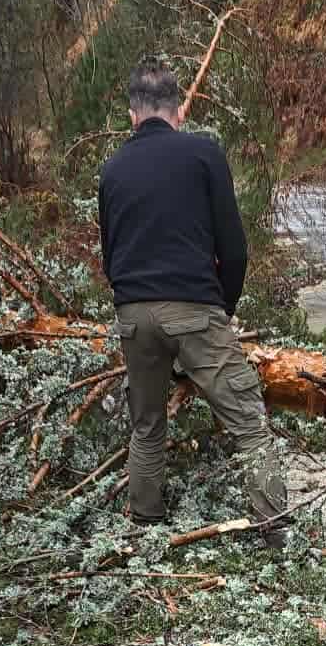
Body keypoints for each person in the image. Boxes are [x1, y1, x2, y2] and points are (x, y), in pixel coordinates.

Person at [97, 63, 288, 546]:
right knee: (247, 420)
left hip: (134, 314)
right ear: (179, 110)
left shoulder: (112, 170)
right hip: (194, 308)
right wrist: (220, 310)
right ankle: (274, 532)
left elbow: (111, 257)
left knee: (146, 424)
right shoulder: (204, 154)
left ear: (131, 115)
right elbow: (235, 248)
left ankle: (145, 523)